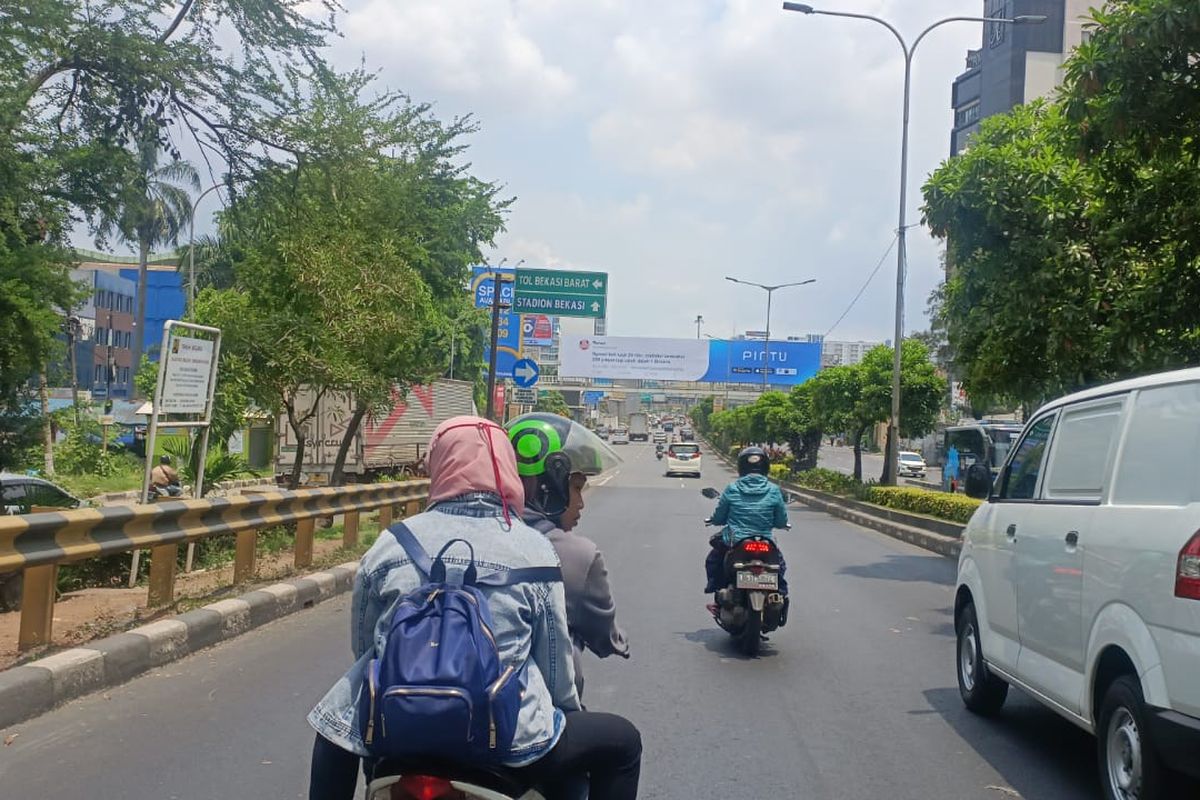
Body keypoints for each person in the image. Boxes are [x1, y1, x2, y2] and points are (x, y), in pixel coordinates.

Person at [307, 416, 641, 800]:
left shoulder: (392, 542)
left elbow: (367, 648)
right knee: (622, 743)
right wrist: (563, 716)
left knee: (332, 728)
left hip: (398, 730)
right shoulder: (533, 548)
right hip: (509, 742)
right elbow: (555, 671)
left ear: (439, 465)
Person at [506, 413, 629, 699]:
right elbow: (604, 636)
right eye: (575, 488)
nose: (582, 502)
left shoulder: (472, 537)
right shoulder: (576, 554)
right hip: (540, 716)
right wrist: (618, 641)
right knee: (623, 740)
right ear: (550, 485)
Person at [703, 446, 790, 596]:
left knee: (714, 559)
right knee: (779, 566)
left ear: (741, 466)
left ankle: (715, 587)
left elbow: (719, 516)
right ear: (766, 467)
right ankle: (780, 592)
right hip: (765, 540)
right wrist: (781, 524)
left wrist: (715, 520)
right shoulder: (774, 490)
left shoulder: (732, 488)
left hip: (736, 539)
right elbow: (781, 520)